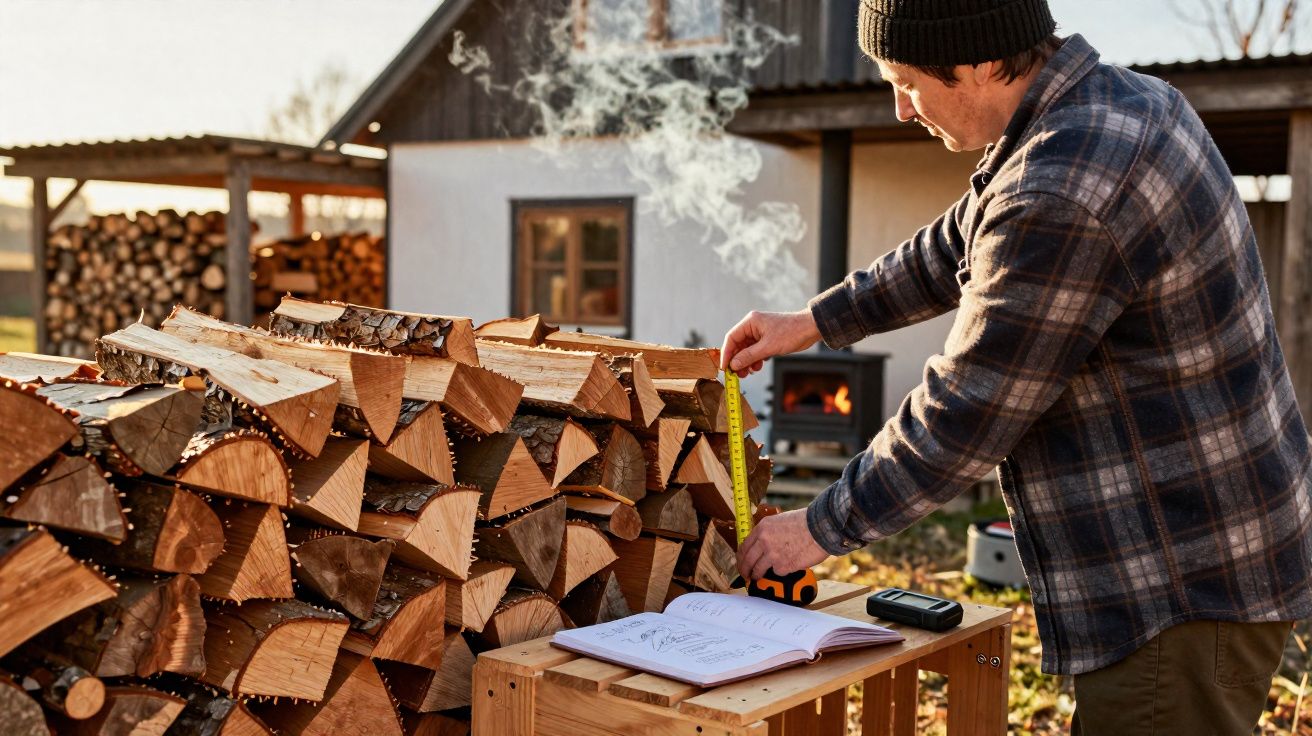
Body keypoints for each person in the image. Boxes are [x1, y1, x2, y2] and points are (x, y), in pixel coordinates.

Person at [721, 1, 1312, 732]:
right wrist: (816, 321)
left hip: (1180, 586)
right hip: (1214, 547)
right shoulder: (1113, 106)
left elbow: (963, 416)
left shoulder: (1060, 190)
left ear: (974, 62)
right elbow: (960, 243)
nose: (900, 108)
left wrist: (813, 530)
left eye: (906, 81)